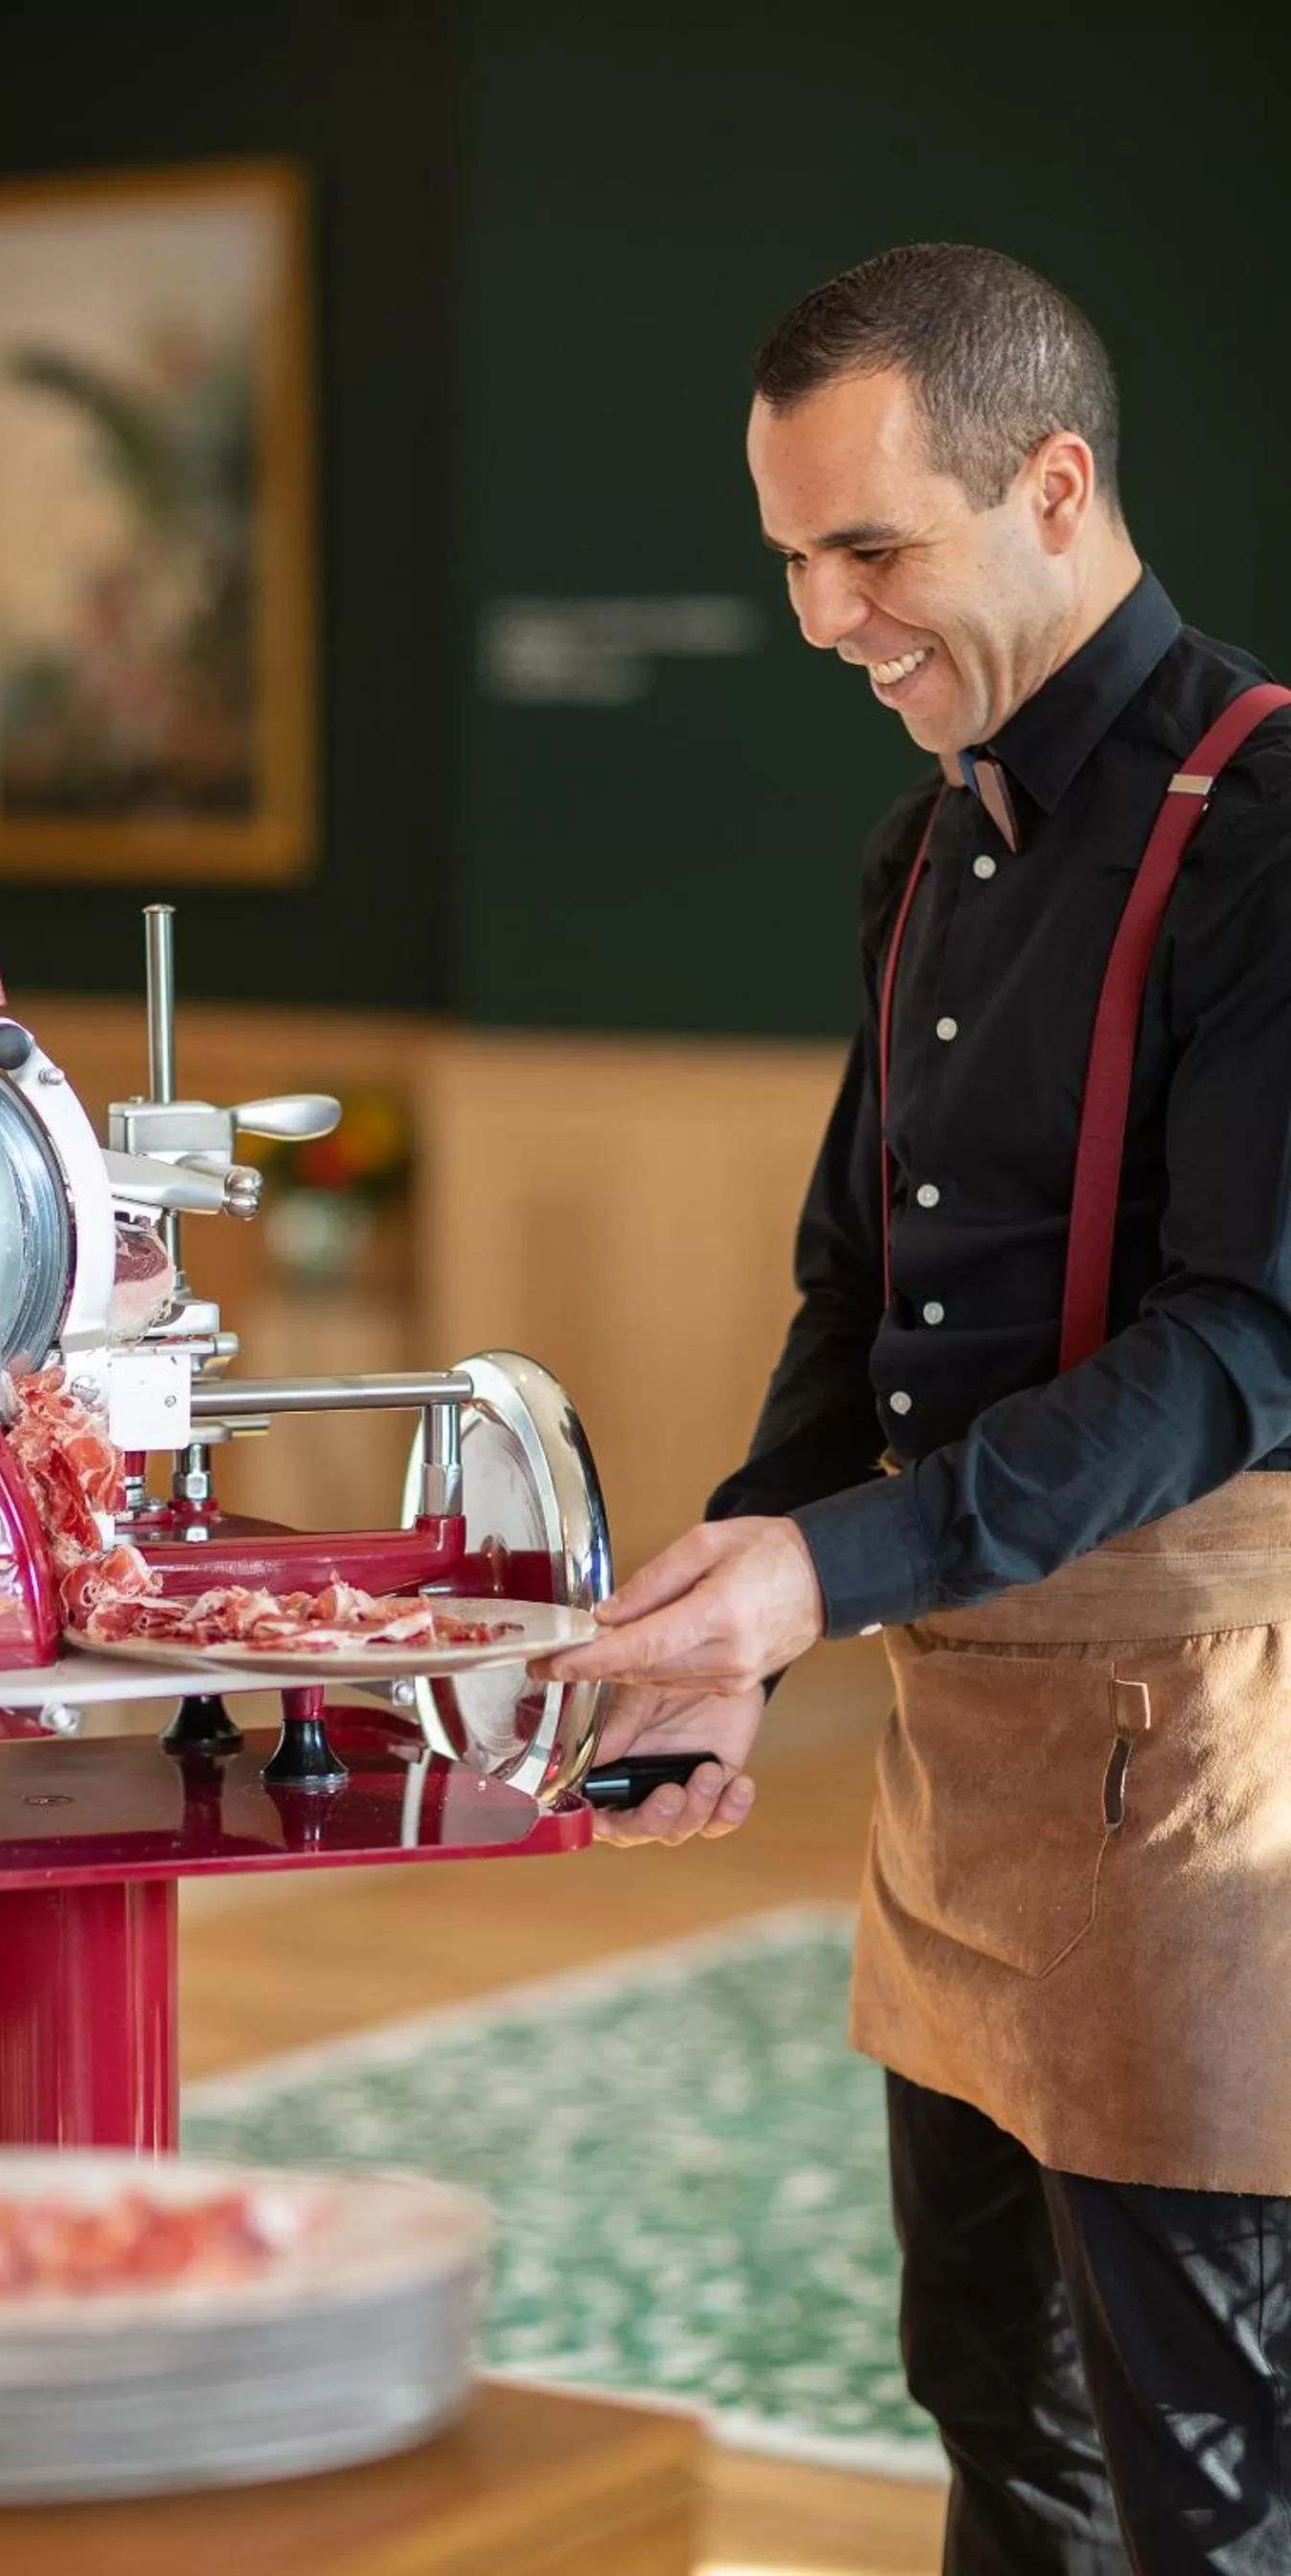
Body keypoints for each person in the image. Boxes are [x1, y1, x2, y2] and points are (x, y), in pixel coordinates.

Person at [539, 243, 1291, 2573]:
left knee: (1212, 2459)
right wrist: (726, 1617)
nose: (821, 615)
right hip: (965, 1751)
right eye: (791, 558)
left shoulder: (1268, 830)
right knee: (987, 2386)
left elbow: (1246, 1344)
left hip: (1210, 1751)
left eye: (873, 550)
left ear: (1055, 487)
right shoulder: (922, 844)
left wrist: (827, 1569)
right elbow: (856, 1287)